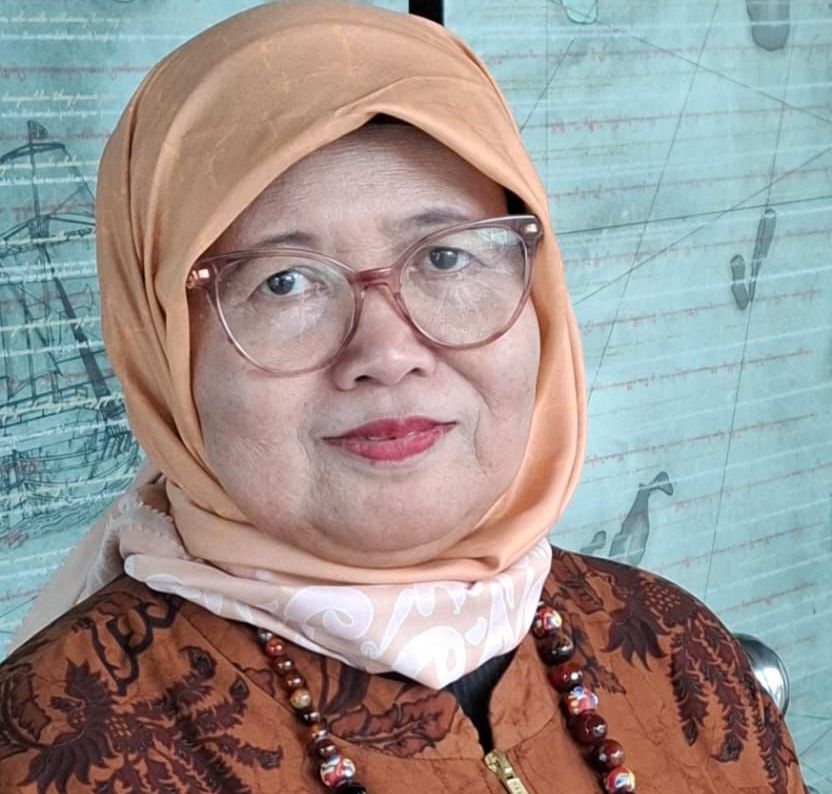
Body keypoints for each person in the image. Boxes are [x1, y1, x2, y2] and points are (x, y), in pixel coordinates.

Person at [0, 2, 805, 792]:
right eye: (284, 282)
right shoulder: (54, 750)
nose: (385, 354)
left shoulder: (680, 653)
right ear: (161, 348)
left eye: (446, 258)